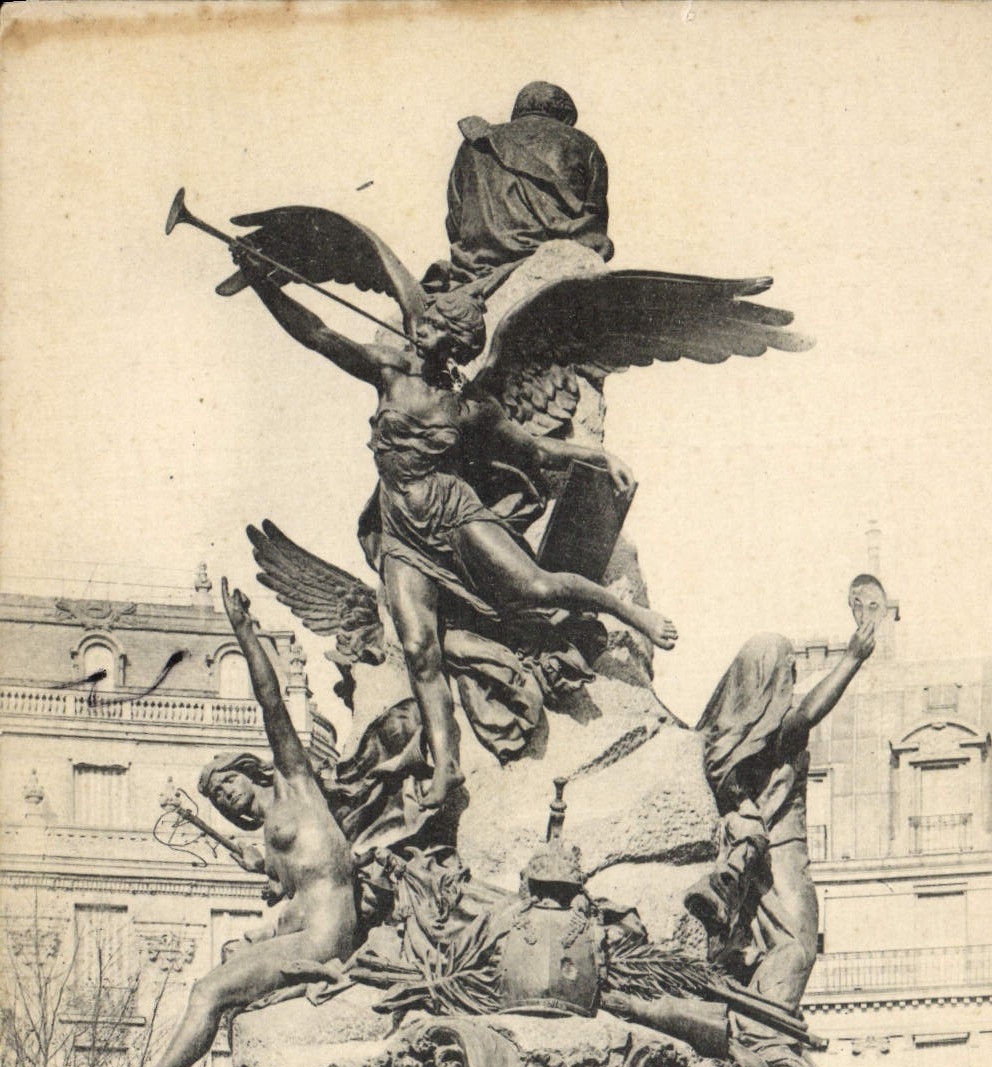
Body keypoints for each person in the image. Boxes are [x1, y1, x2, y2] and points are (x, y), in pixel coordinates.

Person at [231, 257, 676, 811]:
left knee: (536, 585)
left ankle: (631, 614)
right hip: (400, 531)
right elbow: (318, 334)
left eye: (438, 326)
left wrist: (600, 456)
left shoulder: (471, 408)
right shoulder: (388, 371)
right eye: (428, 319)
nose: (423, 327)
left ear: (458, 346)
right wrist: (261, 282)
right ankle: (447, 767)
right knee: (420, 648)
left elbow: (535, 449)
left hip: (454, 514)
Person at [94, 580, 361, 1067]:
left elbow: (272, 703)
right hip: (310, 931)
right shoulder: (270, 840)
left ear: (248, 770)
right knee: (226, 966)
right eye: (217, 799)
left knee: (208, 991)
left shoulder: (295, 785)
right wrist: (263, 866)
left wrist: (244, 632)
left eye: (226, 785)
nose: (226, 798)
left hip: (325, 934)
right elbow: (293, 873)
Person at [683, 613, 877, 1026]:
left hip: (745, 855)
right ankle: (766, 1034)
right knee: (799, 946)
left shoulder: (720, 742)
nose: (793, 679)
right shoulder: (775, 733)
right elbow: (806, 714)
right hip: (782, 852)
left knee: (759, 953)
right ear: (771, 677)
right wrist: (852, 659)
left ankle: (751, 1023)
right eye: (789, 670)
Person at [438, 82, 613, 286]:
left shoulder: (475, 144)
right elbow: (596, 220)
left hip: (479, 268)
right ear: (565, 116)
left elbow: (455, 220)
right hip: (555, 261)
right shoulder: (585, 144)